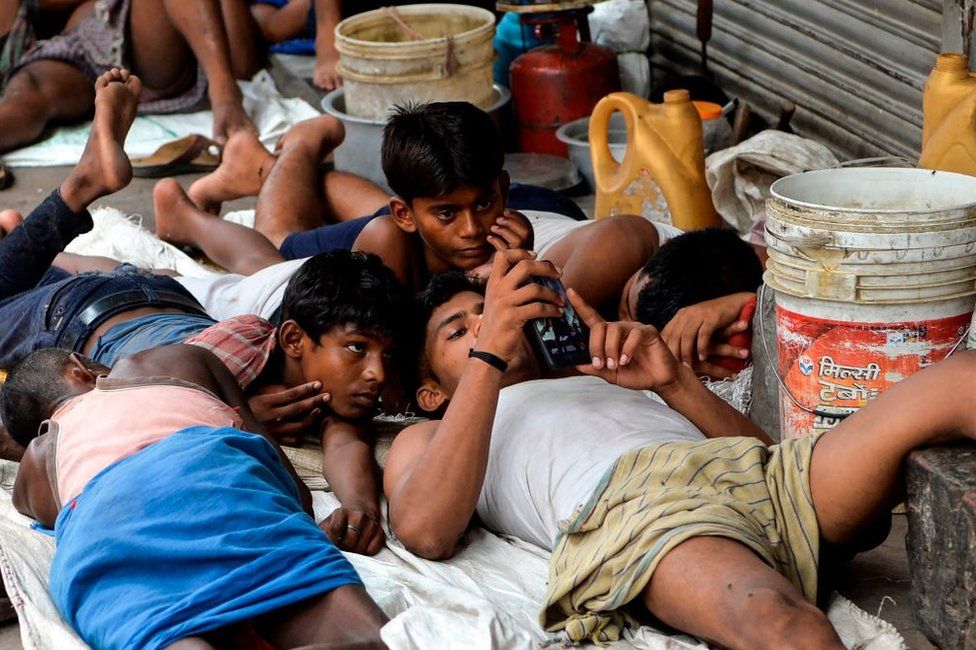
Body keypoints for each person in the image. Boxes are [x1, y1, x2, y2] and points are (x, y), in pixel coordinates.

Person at [382, 248, 974, 648]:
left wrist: (674, 384)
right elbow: (425, 530)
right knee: (784, 624)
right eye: (459, 332)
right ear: (431, 392)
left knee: (959, 378)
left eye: (488, 314)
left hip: (754, 478)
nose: (487, 328)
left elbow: (765, 460)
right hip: (644, 510)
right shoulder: (435, 433)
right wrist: (489, 356)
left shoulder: (591, 372)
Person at [2, 345, 387, 649]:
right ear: (80, 369)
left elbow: (40, 509)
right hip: (211, 488)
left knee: (158, 630)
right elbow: (290, 487)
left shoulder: (40, 457)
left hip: (106, 542)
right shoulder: (176, 359)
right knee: (361, 635)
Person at [153, 102, 586, 289]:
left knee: (421, 211)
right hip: (402, 231)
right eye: (449, 213)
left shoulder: (520, 223)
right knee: (278, 242)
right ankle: (299, 146)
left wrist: (516, 269)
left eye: (484, 205)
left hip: (440, 216)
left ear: (502, 190)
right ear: (405, 214)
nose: (473, 229)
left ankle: (265, 166)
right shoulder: (389, 239)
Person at [0, 0, 258, 154]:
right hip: (80, 42)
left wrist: (224, 88)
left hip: (147, 48)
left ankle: (224, 94)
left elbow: (244, 62)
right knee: (30, 92)